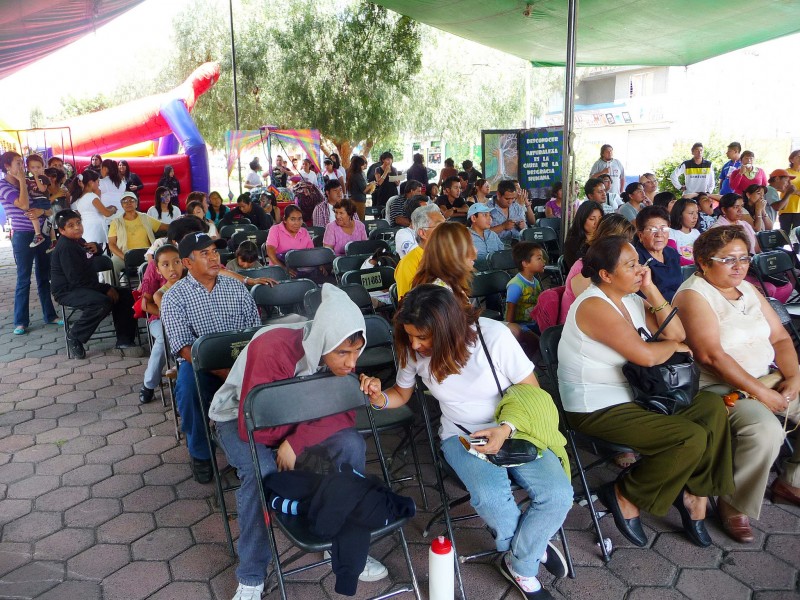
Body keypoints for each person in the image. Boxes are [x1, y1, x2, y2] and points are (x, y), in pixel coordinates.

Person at [361, 285, 573, 599]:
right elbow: (401, 394)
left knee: (558, 494)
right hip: (461, 435)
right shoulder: (413, 349)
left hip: (515, 428)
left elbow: (532, 391)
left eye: (423, 337)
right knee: (491, 499)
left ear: (448, 329)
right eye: (411, 336)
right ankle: (528, 559)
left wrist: (506, 429)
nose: (415, 344)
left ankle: (520, 558)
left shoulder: (493, 336)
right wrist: (379, 398)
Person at [210, 284, 389, 600]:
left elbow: (345, 414)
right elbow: (257, 430)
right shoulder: (273, 349)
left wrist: (297, 441)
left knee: (351, 445)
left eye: (356, 352)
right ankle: (251, 574)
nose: (351, 363)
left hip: (298, 422)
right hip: (240, 419)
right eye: (343, 353)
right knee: (262, 471)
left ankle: (342, 544)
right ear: (323, 341)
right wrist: (303, 435)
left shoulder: (339, 346)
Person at [559, 236, 734, 549]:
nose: (640, 269)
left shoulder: (631, 299)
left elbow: (677, 332)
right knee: (689, 437)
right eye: (631, 265)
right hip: (596, 407)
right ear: (606, 275)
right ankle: (625, 493)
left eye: (639, 262)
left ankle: (695, 493)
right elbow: (646, 356)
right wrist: (675, 347)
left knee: (711, 406)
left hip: (637, 395)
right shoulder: (593, 305)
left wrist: (651, 289)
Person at [673, 226, 800, 543]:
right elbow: (711, 356)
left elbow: (781, 338)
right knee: (764, 430)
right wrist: (763, 393)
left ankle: (791, 482)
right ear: (703, 262)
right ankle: (733, 502)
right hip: (719, 389)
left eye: (744, 258)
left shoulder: (749, 290)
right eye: (728, 259)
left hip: (767, 378)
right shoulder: (694, 295)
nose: (739, 266)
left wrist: (794, 377)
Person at [161, 232, 262, 483]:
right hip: (199, 365)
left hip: (239, 359)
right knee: (188, 389)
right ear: (187, 263)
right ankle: (201, 453)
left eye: (215, 252)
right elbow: (183, 347)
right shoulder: (174, 296)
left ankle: (252, 450)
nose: (214, 257)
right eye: (204, 254)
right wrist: (224, 374)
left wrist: (243, 369)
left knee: (267, 382)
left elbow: (254, 331)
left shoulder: (235, 287)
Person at [50, 210, 138, 358]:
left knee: (126, 295)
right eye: (71, 225)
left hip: (84, 285)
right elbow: (77, 280)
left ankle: (125, 341)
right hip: (67, 291)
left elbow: (88, 257)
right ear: (62, 230)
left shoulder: (79, 241)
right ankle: (75, 335)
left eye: (78, 223)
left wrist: (97, 249)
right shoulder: (66, 247)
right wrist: (106, 288)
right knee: (101, 302)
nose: (77, 227)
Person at [0, 151, 60, 334]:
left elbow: (47, 208)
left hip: (41, 233)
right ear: (7, 167)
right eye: (18, 163)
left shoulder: (31, 182)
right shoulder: (3, 185)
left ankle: (50, 315)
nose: (22, 166)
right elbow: (24, 204)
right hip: (22, 236)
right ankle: (20, 321)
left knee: (43, 276)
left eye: (22, 162)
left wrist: (42, 212)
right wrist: (22, 182)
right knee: (24, 278)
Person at [559, 214, 636, 328]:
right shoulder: (582, 269)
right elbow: (598, 312)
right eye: (623, 242)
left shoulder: (617, 266)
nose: (628, 247)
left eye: (629, 241)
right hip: (582, 329)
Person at [138, 243, 184, 404]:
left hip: (186, 320)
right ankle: (149, 384)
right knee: (165, 338)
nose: (172, 268)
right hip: (159, 317)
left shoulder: (191, 273)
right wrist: (169, 314)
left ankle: (181, 375)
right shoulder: (155, 273)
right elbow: (145, 305)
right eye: (166, 265)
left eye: (177, 262)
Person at [410, 221, 476, 306]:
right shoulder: (438, 293)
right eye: (469, 246)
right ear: (453, 253)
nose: (475, 250)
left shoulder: (447, 283)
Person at [108, 191, 169, 279]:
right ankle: (113, 286)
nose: (128, 203)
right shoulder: (116, 222)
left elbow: (165, 227)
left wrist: (181, 222)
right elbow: (111, 244)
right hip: (124, 254)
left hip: (146, 254)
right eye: (125, 201)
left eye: (131, 200)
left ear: (136, 203)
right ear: (121, 205)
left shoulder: (145, 217)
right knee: (113, 263)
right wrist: (125, 257)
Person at [633, 205, 682, 301]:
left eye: (664, 229)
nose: (659, 234)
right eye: (652, 229)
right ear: (640, 235)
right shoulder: (635, 260)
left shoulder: (672, 253)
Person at [395, 204, 445, 298]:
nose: (447, 231)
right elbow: (407, 303)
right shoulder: (408, 263)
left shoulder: (448, 256)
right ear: (422, 233)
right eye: (439, 226)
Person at [505, 242, 546, 335]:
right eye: (539, 258)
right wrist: (510, 332)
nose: (544, 261)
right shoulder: (516, 285)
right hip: (519, 324)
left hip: (533, 322)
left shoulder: (536, 281)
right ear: (525, 263)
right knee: (534, 339)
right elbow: (510, 311)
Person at [70, 169, 117, 248]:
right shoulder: (92, 196)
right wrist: (113, 209)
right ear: (91, 182)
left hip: (86, 228)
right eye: (98, 182)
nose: (99, 185)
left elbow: (93, 210)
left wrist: (107, 208)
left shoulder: (79, 198)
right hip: (96, 229)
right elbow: (107, 213)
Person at [265, 205, 313, 276]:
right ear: (285, 219)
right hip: (278, 271)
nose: (297, 223)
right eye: (292, 219)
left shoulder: (304, 232)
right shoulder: (275, 230)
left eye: (299, 219)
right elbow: (270, 252)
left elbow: (311, 253)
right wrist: (284, 268)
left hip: (300, 270)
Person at [562, 200, 603, 271]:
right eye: (592, 219)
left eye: (600, 218)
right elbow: (580, 269)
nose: (597, 222)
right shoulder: (572, 242)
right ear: (582, 219)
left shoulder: (604, 238)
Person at [24, 155, 53, 248]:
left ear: (43, 167)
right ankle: (51, 239)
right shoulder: (28, 179)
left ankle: (38, 235)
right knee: (44, 219)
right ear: (28, 168)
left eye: (38, 167)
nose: (36, 170)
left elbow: (42, 189)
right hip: (35, 200)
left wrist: (36, 178)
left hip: (42, 200)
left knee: (33, 214)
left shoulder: (43, 178)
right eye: (33, 167)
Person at [394, 195, 431, 259]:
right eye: (425, 211)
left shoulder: (431, 231)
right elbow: (417, 256)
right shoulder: (403, 234)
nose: (429, 213)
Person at [669, 198, 701, 266]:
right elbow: (673, 256)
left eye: (697, 212)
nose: (695, 217)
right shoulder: (671, 233)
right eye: (691, 213)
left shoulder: (696, 233)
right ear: (679, 214)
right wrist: (696, 264)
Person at [776, 149, 800, 235]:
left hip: (799, 210)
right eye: (798, 157)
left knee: (797, 236)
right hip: (786, 208)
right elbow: (778, 187)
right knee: (784, 235)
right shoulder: (785, 172)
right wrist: (794, 191)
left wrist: (795, 191)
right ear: (791, 160)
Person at [346, 155, 368, 220]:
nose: (364, 166)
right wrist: (371, 185)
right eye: (363, 165)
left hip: (353, 199)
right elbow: (364, 190)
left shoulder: (351, 173)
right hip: (359, 201)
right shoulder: (358, 175)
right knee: (359, 221)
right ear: (359, 165)